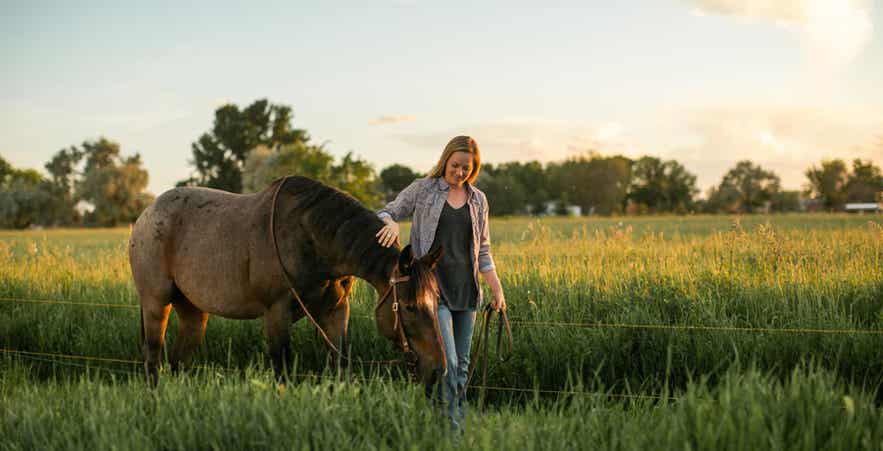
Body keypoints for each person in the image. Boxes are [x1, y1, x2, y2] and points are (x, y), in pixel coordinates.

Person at [375, 135, 506, 431]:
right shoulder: (423, 190)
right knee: (446, 366)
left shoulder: (478, 200)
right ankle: (454, 434)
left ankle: (449, 424)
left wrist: (496, 289)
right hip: (433, 293)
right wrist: (391, 222)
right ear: (445, 159)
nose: (459, 172)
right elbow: (386, 212)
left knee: (461, 367)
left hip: (467, 291)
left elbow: (483, 250)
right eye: (455, 165)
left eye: (466, 168)